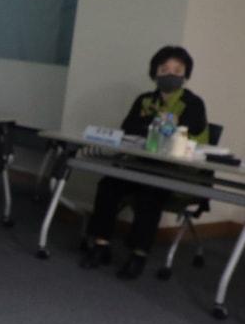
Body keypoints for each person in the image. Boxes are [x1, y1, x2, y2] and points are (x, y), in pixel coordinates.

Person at [83, 45, 209, 279]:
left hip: (176, 171)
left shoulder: (193, 103)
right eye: (164, 69)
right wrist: (156, 124)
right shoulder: (144, 100)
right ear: (155, 73)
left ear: (185, 75)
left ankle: (138, 254)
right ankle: (100, 244)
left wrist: (153, 125)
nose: (170, 74)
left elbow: (187, 129)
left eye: (177, 70)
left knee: (150, 193)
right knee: (109, 185)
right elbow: (128, 128)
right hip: (139, 162)